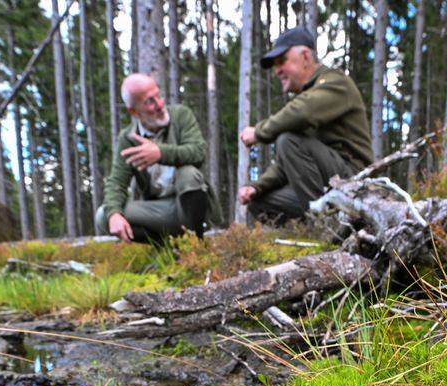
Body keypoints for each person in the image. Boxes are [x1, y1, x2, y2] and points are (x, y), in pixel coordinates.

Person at [238, 26, 373, 224]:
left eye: (282, 61)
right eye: (275, 65)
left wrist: (259, 131)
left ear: (306, 57)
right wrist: (257, 187)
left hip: (354, 182)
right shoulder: (308, 99)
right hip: (328, 185)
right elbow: (286, 165)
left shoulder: (335, 82)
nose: (277, 71)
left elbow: (302, 112)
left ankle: (327, 225)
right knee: (260, 203)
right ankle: (312, 228)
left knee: (287, 141)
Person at [98, 73, 221, 243]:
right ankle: (169, 246)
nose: (160, 104)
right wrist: (114, 214)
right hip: (159, 210)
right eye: (149, 101)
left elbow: (198, 152)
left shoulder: (180, 115)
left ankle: (196, 247)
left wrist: (160, 153)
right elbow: (117, 182)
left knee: (188, 174)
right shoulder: (128, 138)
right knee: (104, 216)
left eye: (159, 95)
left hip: (190, 205)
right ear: (133, 111)